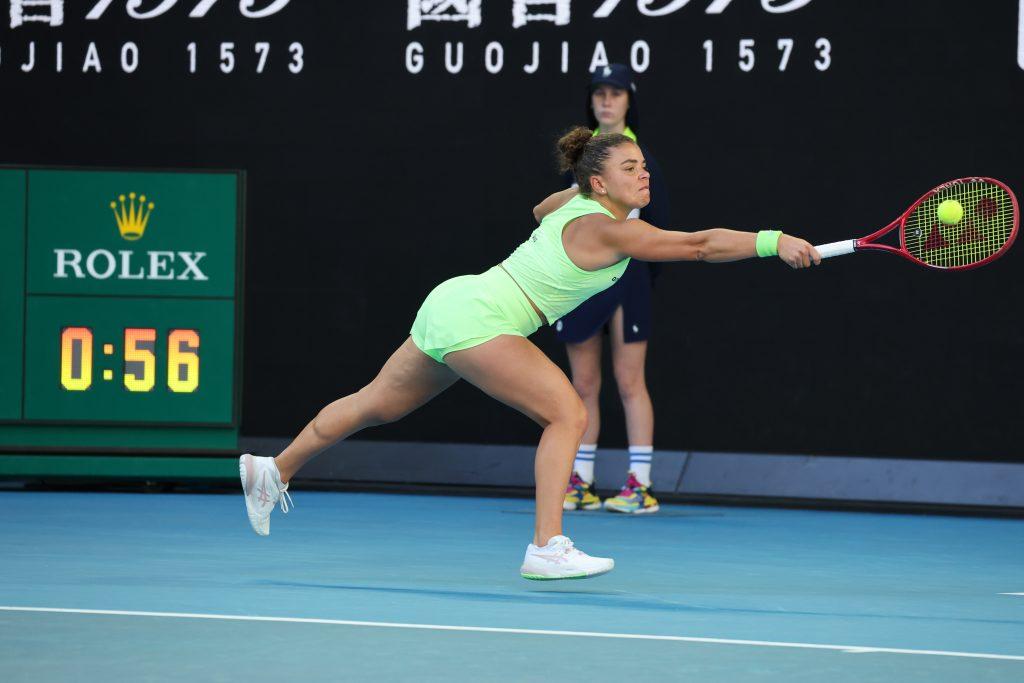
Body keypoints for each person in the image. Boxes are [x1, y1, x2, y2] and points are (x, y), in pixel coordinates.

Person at [239, 127, 821, 581]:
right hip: (483, 318)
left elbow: (541, 210)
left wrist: (584, 184)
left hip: (455, 301)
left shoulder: (576, 205)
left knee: (375, 405)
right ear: (599, 183)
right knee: (567, 414)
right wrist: (774, 241)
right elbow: (698, 246)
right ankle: (546, 546)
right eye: (628, 168)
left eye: (643, 165)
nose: (643, 174)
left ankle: (274, 469)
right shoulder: (610, 229)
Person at [557, 63, 669, 515]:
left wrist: (636, 276)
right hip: (580, 282)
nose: (606, 100)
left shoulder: (642, 160)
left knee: (629, 381)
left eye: (615, 93)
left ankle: (640, 486)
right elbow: (556, 222)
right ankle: (580, 482)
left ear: (628, 101)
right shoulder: (578, 161)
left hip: (628, 279)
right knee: (582, 382)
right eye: (599, 92)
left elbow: (659, 229)